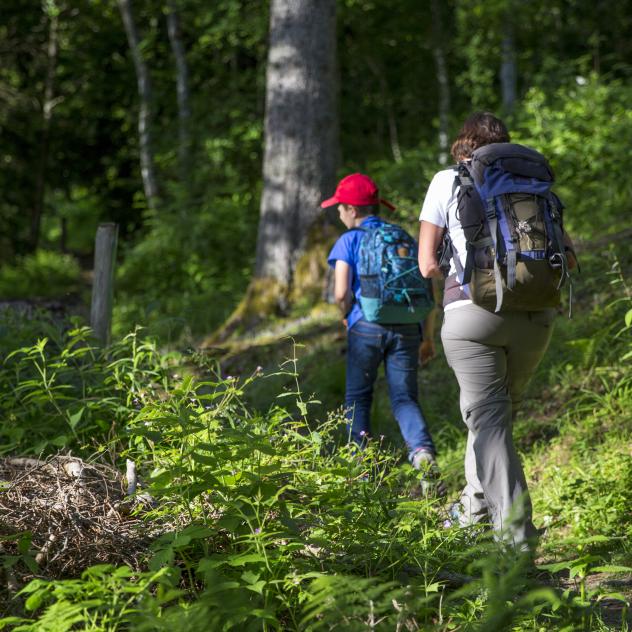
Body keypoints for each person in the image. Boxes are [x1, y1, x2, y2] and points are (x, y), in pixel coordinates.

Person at [418, 112, 577, 545]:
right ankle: (473, 513)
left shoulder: (447, 180)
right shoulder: (532, 185)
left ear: (462, 145)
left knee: (489, 425)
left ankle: (517, 542)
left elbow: (428, 263)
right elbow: (569, 258)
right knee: (495, 422)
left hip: (474, 316)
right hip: (538, 316)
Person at [322, 173, 442, 484]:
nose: (337, 213)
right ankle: (422, 452)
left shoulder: (348, 240)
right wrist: (427, 337)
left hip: (366, 325)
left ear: (351, 209)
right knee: (404, 398)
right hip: (407, 327)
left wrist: (346, 315)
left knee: (358, 397)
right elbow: (427, 289)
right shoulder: (402, 237)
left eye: (339, 207)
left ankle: (361, 468)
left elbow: (339, 292)